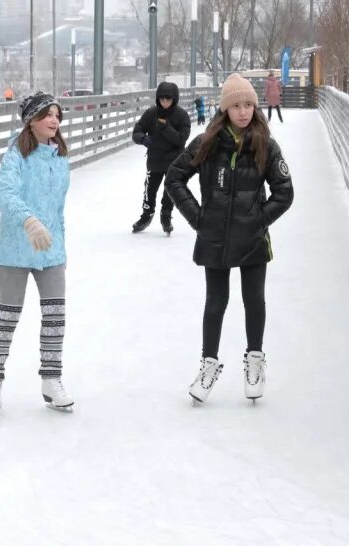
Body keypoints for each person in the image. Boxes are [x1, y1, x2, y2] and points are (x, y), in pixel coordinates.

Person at [164, 73, 294, 404]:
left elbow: (284, 192)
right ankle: (208, 364)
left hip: (252, 239)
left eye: (248, 104)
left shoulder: (265, 144)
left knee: (254, 300)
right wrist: (198, 218)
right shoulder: (207, 142)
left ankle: (254, 359)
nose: (243, 111)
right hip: (216, 238)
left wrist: (258, 221)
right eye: (236, 105)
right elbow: (175, 178)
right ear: (225, 109)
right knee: (216, 302)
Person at [0, 91, 74, 415]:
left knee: (55, 317)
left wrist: (59, 243)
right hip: (16, 250)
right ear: (31, 120)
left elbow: (58, 209)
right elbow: (4, 193)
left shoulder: (60, 157)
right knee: (8, 315)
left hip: (50, 251)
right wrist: (29, 222)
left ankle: (51, 379)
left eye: (58, 115)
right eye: (48, 115)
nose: (54, 120)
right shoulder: (16, 155)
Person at [130, 81, 191, 235]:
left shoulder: (182, 115)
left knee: (169, 191)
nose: (165, 102)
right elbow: (137, 130)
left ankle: (166, 215)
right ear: (158, 98)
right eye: (162, 99)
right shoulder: (151, 113)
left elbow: (181, 139)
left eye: (168, 99)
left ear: (174, 99)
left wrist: (165, 128)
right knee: (149, 190)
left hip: (174, 161)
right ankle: (146, 214)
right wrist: (143, 139)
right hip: (154, 160)